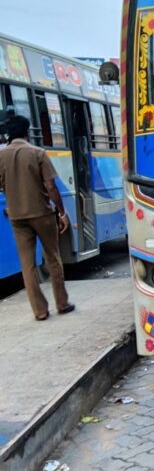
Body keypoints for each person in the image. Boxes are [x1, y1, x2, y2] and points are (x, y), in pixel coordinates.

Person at [0, 115, 74, 320]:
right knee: (53, 257)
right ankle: (62, 303)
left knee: (27, 264)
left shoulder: (1, 156)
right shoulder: (37, 153)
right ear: (27, 132)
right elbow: (51, 186)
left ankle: (40, 311)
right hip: (42, 214)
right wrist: (61, 212)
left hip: (16, 217)